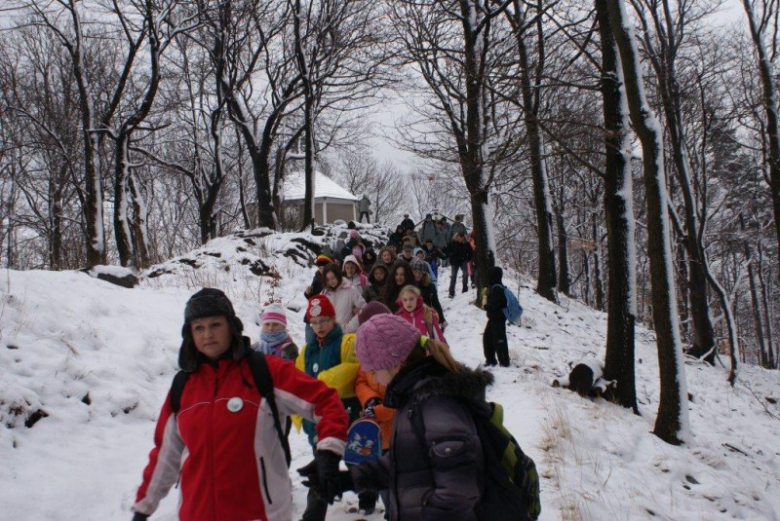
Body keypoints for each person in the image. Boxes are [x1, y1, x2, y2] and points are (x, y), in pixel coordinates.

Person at [131, 288, 348, 521]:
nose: (207, 335)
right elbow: (165, 454)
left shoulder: (264, 371)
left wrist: (328, 452)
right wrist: (143, 509)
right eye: (199, 328)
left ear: (231, 327)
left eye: (216, 325)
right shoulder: (182, 386)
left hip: (260, 514)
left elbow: (325, 401)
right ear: (189, 334)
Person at [304, 314, 491, 521]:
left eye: (373, 371)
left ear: (394, 364)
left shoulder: (436, 404)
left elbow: (459, 494)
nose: (373, 378)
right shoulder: (412, 398)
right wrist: (347, 480)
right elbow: (406, 462)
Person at [295, 295, 362, 521]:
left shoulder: (347, 343)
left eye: (324, 320)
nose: (319, 326)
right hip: (319, 424)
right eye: (314, 322)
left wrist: (323, 380)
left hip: (348, 419)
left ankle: (368, 497)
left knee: (356, 462)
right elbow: (299, 383)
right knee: (321, 470)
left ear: (333, 319)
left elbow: (354, 371)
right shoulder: (306, 350)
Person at [352, 302, 395, 516]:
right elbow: (361, 380)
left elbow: (401, 399)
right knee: (385, 488)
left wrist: (379, 410)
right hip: (378, 436)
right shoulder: (366, 353)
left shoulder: (398, 355)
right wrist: (370, 400)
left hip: (399, 434)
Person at [321, 263, 366, 334]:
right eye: (328, 279)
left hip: (346, 335)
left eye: (333, 278)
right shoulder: (324, 293)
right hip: (330, 336)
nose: (331, 282)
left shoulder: (351, 289)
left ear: (338, 275)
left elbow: (364, 309)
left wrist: (349, 327)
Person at [484, 266, 510, 367]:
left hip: (498, 318)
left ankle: (504, 361)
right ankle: (491, 360)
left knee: (499, 340)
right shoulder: (497, 286)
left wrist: (486, 306)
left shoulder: (496, 289)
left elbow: (495, 305)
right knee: (488, 338)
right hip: (494, 318)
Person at [411, 259, 446, 330]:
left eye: (420, 273)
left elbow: (436, 303)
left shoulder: (430, 287)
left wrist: (442, 320)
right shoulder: (408, 285)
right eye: (415, 272)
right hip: (411, 318)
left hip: (426, 317)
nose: (417, 275)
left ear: (424, 274)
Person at [445, 232, 473, 298]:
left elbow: (470, 252)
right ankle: (451, 292)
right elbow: (446, 251)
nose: (460, 239)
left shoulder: (466, 244)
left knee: (465, 274)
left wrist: (467, 259)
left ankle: (465, 289)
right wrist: (450, 255)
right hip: (454, 262)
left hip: (463, 261)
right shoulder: (452, 243)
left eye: (462, 237)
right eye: (459, 237)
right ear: (456, 237)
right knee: (453, 276)